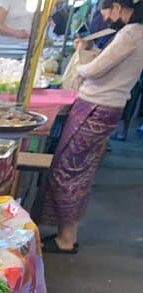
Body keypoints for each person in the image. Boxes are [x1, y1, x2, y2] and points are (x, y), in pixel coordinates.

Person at [40, 0, 143, 253]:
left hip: (96, 106)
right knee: (81, 171)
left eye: (104, 11)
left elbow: (95, 70)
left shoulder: (131, 34)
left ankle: (66, 239)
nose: (104, 17)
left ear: (117, 7)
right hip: (109, 107)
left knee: (67, 169)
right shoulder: (135, 33)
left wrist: (80, 60)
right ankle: (68, 234)